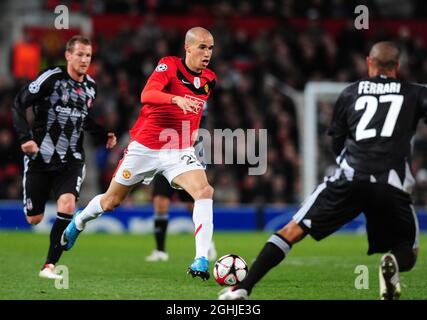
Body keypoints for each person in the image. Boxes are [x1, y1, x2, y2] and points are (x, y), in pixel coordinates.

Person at [219, 41, 424, 300]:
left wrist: (350, 164)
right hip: (391, 183)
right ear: (398, 66)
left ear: (368, 62)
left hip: (350, 176)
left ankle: (242, 288)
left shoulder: (350, 93)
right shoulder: (415, 93)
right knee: (408, 249)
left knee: (291, 231)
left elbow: (337, 139)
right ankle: (392, 262)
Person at [62, 27, 217, 280]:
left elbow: (196, 115)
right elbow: (147, 95)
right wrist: (175, 100)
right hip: (145, 147)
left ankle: (200, 258)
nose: (207, 52)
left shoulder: (210, 78)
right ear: (187, 47)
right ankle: (79, 222)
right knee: (111, 202)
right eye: (202, 46)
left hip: (178, 150)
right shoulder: (169, 66)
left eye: (210, 48)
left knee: (205, 191)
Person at [11, 35, 117, 279]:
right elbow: (19, 103)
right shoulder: (51, 78)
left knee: (67, 206)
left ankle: (49, 266)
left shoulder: (91, 86)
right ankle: (41, 215)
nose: (84, 60)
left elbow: (81, 117)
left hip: (71, 159)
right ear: (68, 55)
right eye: (79, 54)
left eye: (88, 55)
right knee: (34, 218)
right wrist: (25, 138)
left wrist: (102, 133)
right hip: (40, 156)